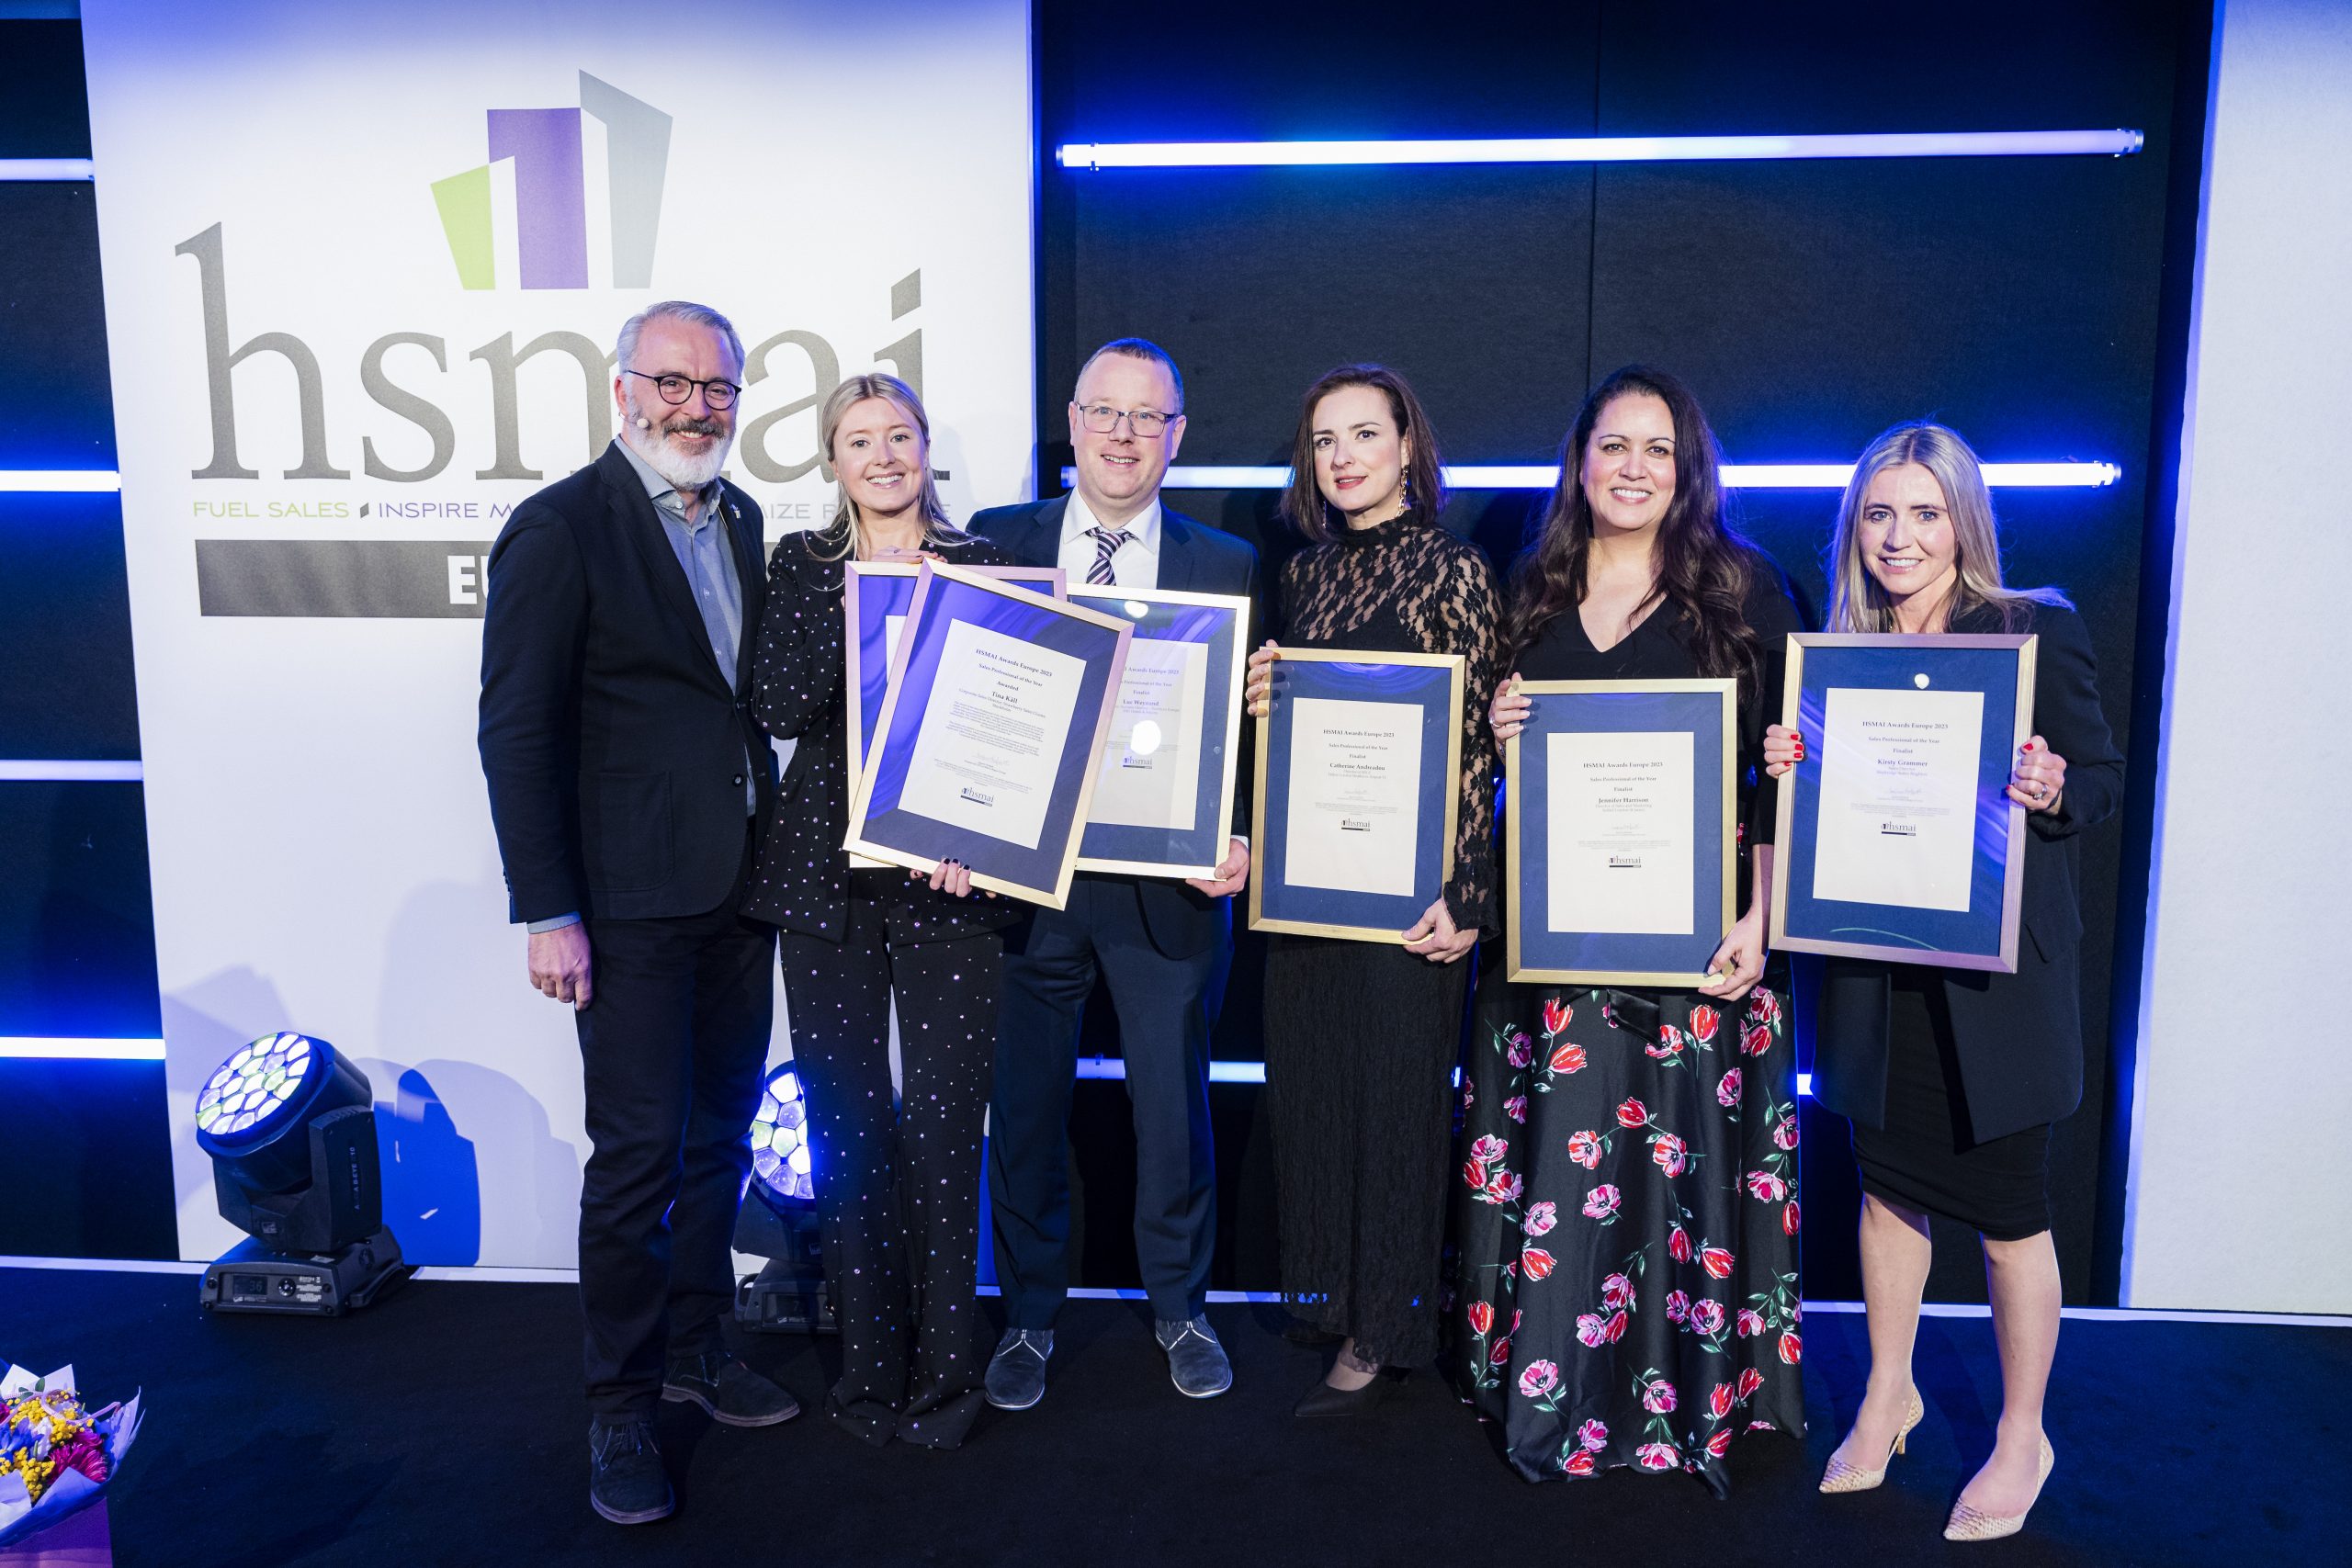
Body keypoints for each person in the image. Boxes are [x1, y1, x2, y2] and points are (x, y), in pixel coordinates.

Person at [1765, 422, 2122, 1542]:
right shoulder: (1839, 654)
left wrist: (2052, 784)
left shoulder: (2031, 630)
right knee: (1887, 1190)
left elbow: (2100, 781)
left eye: (1924, 513)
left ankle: (2022, 1434)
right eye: (1878, 513)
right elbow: (1823, 825)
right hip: (1879, 975)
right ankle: (1889, 1394)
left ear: (1963, 521)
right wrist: (1789, 769)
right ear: (1853, 528)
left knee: (2011, 1214)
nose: (1899, 536)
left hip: (1994, 988)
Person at [479, 300, 795, 1527]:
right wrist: (547, 909)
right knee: (635, 1161)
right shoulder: (560, 527)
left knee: (719, 1139)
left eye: (717, 387)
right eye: (672, 382)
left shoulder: (743, 518)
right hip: (624, 907)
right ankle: (618, 1404)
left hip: (739, 888)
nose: (695, 406)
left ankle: (698, 1346)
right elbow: (516, 733)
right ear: (623, 390)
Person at [1463, 366, 1804, 1491]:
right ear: (1579, 461)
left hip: (1695, 952)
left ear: (1687, 468)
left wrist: (1762, 917)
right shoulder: (1529, 591)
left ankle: (1681, 1403)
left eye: (1657, 449)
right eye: (1613, 445)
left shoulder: (1744, 590)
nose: (1632, 468)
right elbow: (1485, 781)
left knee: (1672, 1184)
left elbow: (1784, 775)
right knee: (1566, 1174)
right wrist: (1497, 728)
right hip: (1552, 949)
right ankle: (1553, 1393)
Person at [973, 338, 1260, 1408]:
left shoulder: (1225, 563)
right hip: (1026, 882)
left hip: (1167, 887)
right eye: (1105, 412)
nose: (1124, 435)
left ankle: (1180, 1308)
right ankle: (1028, 1316)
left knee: (1172, 1114)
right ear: (1073, 422)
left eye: (1148, 417)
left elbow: (1247, 727)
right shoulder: (997, 540)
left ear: (1176, 436)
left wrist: (1240, 833)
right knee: (1026, 1109)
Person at [742, 372, 1019, 1450]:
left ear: (925, 447)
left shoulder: (986, 567)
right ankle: (867, 1374)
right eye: (859, 441)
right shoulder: (801, 567)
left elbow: (1016, 738)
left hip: (952, 885)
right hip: (825, 887)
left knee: (944, 1135)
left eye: (899, 435)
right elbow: (777, 706)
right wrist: (871, 609)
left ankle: (947, 1377)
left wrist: (987, 841)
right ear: (833, 461)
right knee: (849, 1134)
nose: (884, 456)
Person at [1242, 364, 1501, 1416]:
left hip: (1408, 906)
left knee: (1396, 1110)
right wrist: (1262, 702)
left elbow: (1479, 745)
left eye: (1362, 434)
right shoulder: (1302, 576)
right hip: (1312, 894)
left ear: (1406, 446)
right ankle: (1335, 1301)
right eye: (1323, 440)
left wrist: (1468, 894)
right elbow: (1292, 748)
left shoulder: (1455, 571)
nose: (1342, 456)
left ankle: (1383, 1329)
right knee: (1315, 1102)